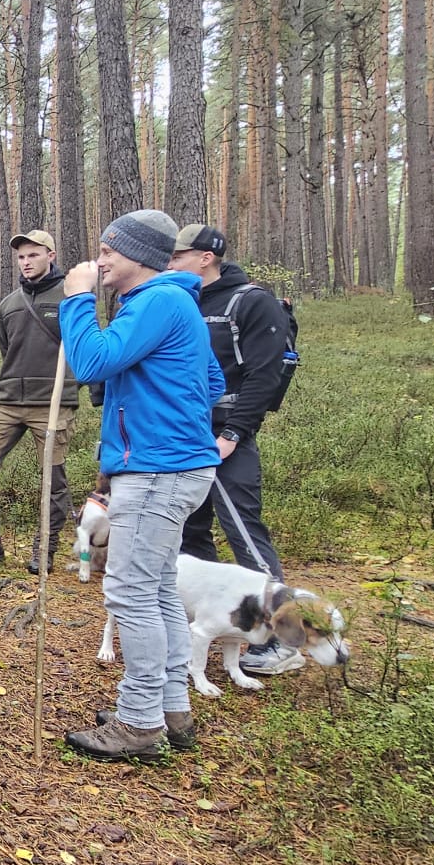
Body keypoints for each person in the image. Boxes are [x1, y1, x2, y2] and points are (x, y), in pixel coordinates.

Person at [55, 208, 222, 761]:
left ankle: (140, 720)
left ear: (139, 256)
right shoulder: (171, 305)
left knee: (129, 591)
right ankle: (171, 708)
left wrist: (76, 299)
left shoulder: (159, 300)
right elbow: (212, 379)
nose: (99, 261)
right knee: (156, 592)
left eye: (109, 251)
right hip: (167, 468)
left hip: (157, 472)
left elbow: (91, 361)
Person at [169, 223, 298, 676]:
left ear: (205, 257)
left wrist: (233, 435)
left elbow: (264, 376)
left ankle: (287, 637)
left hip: (226, 436)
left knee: (243, 530)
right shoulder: (186, 301)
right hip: (188, 435)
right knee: (192, 531)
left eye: (177, 255)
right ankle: (204, 627)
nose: (170, 263)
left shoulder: (252, 301)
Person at [0, 230, 80, 573]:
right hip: (8, 400)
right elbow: (7, 349)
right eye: (22, 257)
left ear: (50, 255)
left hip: (52, 402)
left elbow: (84, 346)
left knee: (52, 478)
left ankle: (45, 548)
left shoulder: (70, 296)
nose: (26, 262)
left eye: (33, 255)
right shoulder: (8, 304)